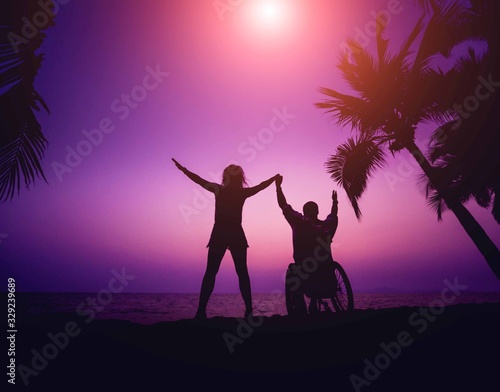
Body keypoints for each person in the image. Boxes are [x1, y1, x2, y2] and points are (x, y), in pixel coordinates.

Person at [173, 158, 279, 319]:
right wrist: (274, 179)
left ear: (226, 177)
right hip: (233, 233)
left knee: (212, 272)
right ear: (239, 178)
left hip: (222, 233)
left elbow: (199, 180)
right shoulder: (239, 192)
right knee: (241, 273)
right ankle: (248, 311)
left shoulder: (220, 190)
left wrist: (183, 169)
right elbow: (260, 186)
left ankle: (201, 311)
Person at [275, 175, 339, 314]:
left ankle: (300, 312)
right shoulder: (326, 226)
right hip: (327, 279)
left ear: (304, 212)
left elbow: (283, 205)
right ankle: (315, 302)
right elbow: (333, 216)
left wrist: (278, 187)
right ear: (317, 212)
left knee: (293, 270)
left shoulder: (299, 222)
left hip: (305, 275)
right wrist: (335, 203)